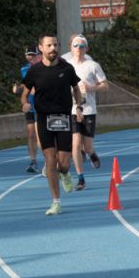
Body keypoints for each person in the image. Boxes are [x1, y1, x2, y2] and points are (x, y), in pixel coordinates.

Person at [22, 34, 85, 216]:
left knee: (63, 162)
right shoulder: (34, 71)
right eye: (49, 45)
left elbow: (76, 89)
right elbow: (24, 94)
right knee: (50, 159)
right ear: (41, 48)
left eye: (55, 45)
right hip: (43, 119)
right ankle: (56, 202)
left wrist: (78, 106)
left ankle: (65, 173)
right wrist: (25, 103)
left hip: (64, 118)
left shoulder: (67, 68)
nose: (53, 49)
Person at [67, 34, 108, 191]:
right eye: (76, 46)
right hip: (72, 110)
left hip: (89, 110)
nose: (79, 49)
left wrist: (91, 88)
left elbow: (105, 85)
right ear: (71, 48)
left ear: (86, 48)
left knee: (88, 146)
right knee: (76, 144)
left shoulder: (93, 65)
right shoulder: (67, 66)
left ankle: (91, 154)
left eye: (82, 46)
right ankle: (81, 178)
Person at [16, 47, 40, 174]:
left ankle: (52, 159)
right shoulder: (24, 69)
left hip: (43, 105)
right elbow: (26, 85)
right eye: (28, 55)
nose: (30, 57)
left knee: (42, 135)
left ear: (38, 55)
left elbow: (35, 87)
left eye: (33, 55)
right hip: (30, 105)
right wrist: (18, 89)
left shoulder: (44, 67)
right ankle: (33, 161)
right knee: (31, 134)